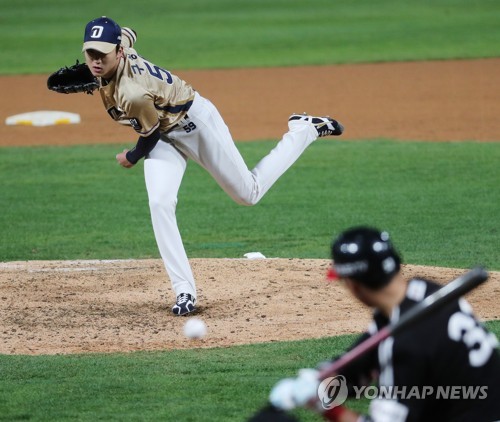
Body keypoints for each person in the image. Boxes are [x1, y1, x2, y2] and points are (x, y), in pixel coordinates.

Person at [81, 16, 344, 316]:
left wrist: (131, 157)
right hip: (166, 136)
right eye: (91, 53)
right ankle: (184, 290)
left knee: (249, 193)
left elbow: (149, 136)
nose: (96, 60)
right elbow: (130, 32)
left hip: (196, 126)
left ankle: (303, 129)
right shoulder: (119, 49)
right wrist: (102, 67)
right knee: (160, 202)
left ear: (119, 51)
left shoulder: (133, 93)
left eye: (103, 54)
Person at [268, 226, 500, 421]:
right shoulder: (425, 292)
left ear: (352, 285)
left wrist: (325, 407)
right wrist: (321, 381)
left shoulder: (405, 346)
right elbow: (369, 349)